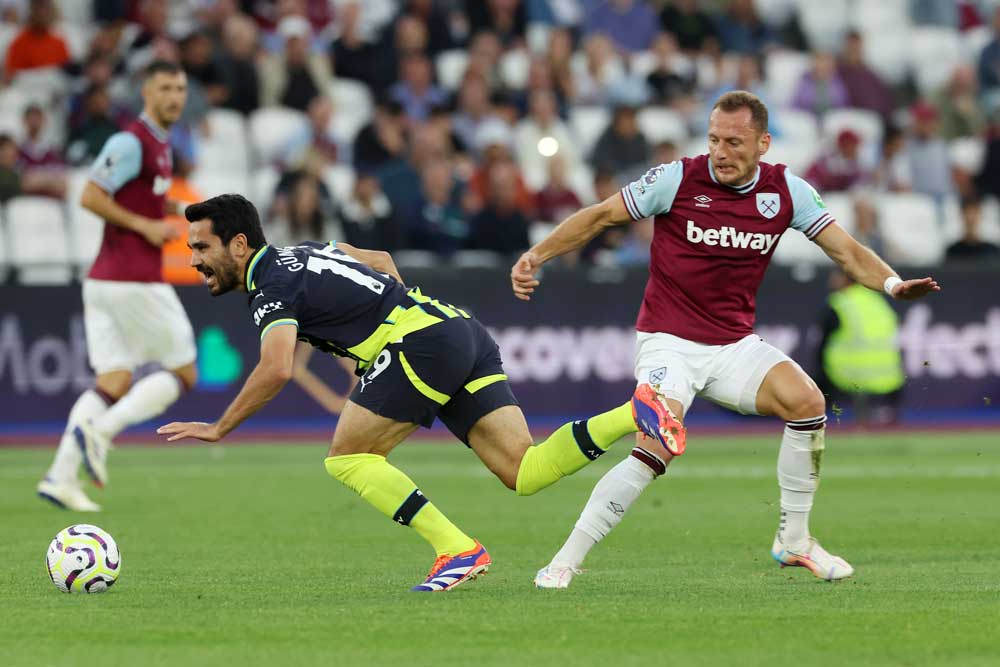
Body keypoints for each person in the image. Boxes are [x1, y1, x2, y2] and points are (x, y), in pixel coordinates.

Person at [512, 91, 940, 588]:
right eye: (714, 139)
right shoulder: (676, 179)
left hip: (733, 346)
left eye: (734, 142)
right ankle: (564, 560)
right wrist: (535, 256)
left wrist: (891, 284)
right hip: (668, 341)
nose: (721, 151)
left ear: (763, 142)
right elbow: (601, 215)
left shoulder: (787, 192)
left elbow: (845, 251)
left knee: (807, 402)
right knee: (658, 446)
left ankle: (794, 541)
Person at [157, 194, 682, 592]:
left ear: (240, 245)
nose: (194, 260)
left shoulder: (269, 286)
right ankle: (633, 412)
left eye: (202, 247)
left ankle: (456, 549)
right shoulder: (307, 251)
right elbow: (382, 260)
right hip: (456, 326)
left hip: (421, 343)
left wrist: (220, 426)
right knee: (524, 471)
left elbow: (275, 369)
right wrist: (387, 317)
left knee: (347, 457)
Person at [37, 61, 199, 512]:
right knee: (184, 371)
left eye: (181, 88)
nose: (175, 96)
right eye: (166, 87)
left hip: (105, 281)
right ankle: (102, 432)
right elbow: (90, 195)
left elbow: (137, 193)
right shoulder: (130, 141)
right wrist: (146, 226)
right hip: (132, 278)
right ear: (147, 92)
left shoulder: (161, 147)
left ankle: (61, 477)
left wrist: (172, 206)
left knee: (114, 379)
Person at [816, 271, 905, 426]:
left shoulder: (839, 302)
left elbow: (821, 342)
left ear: (846, 278)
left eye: (836, 275)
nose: (832, 280)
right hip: (887, 376)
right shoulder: (878, 301)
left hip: (848, 375)